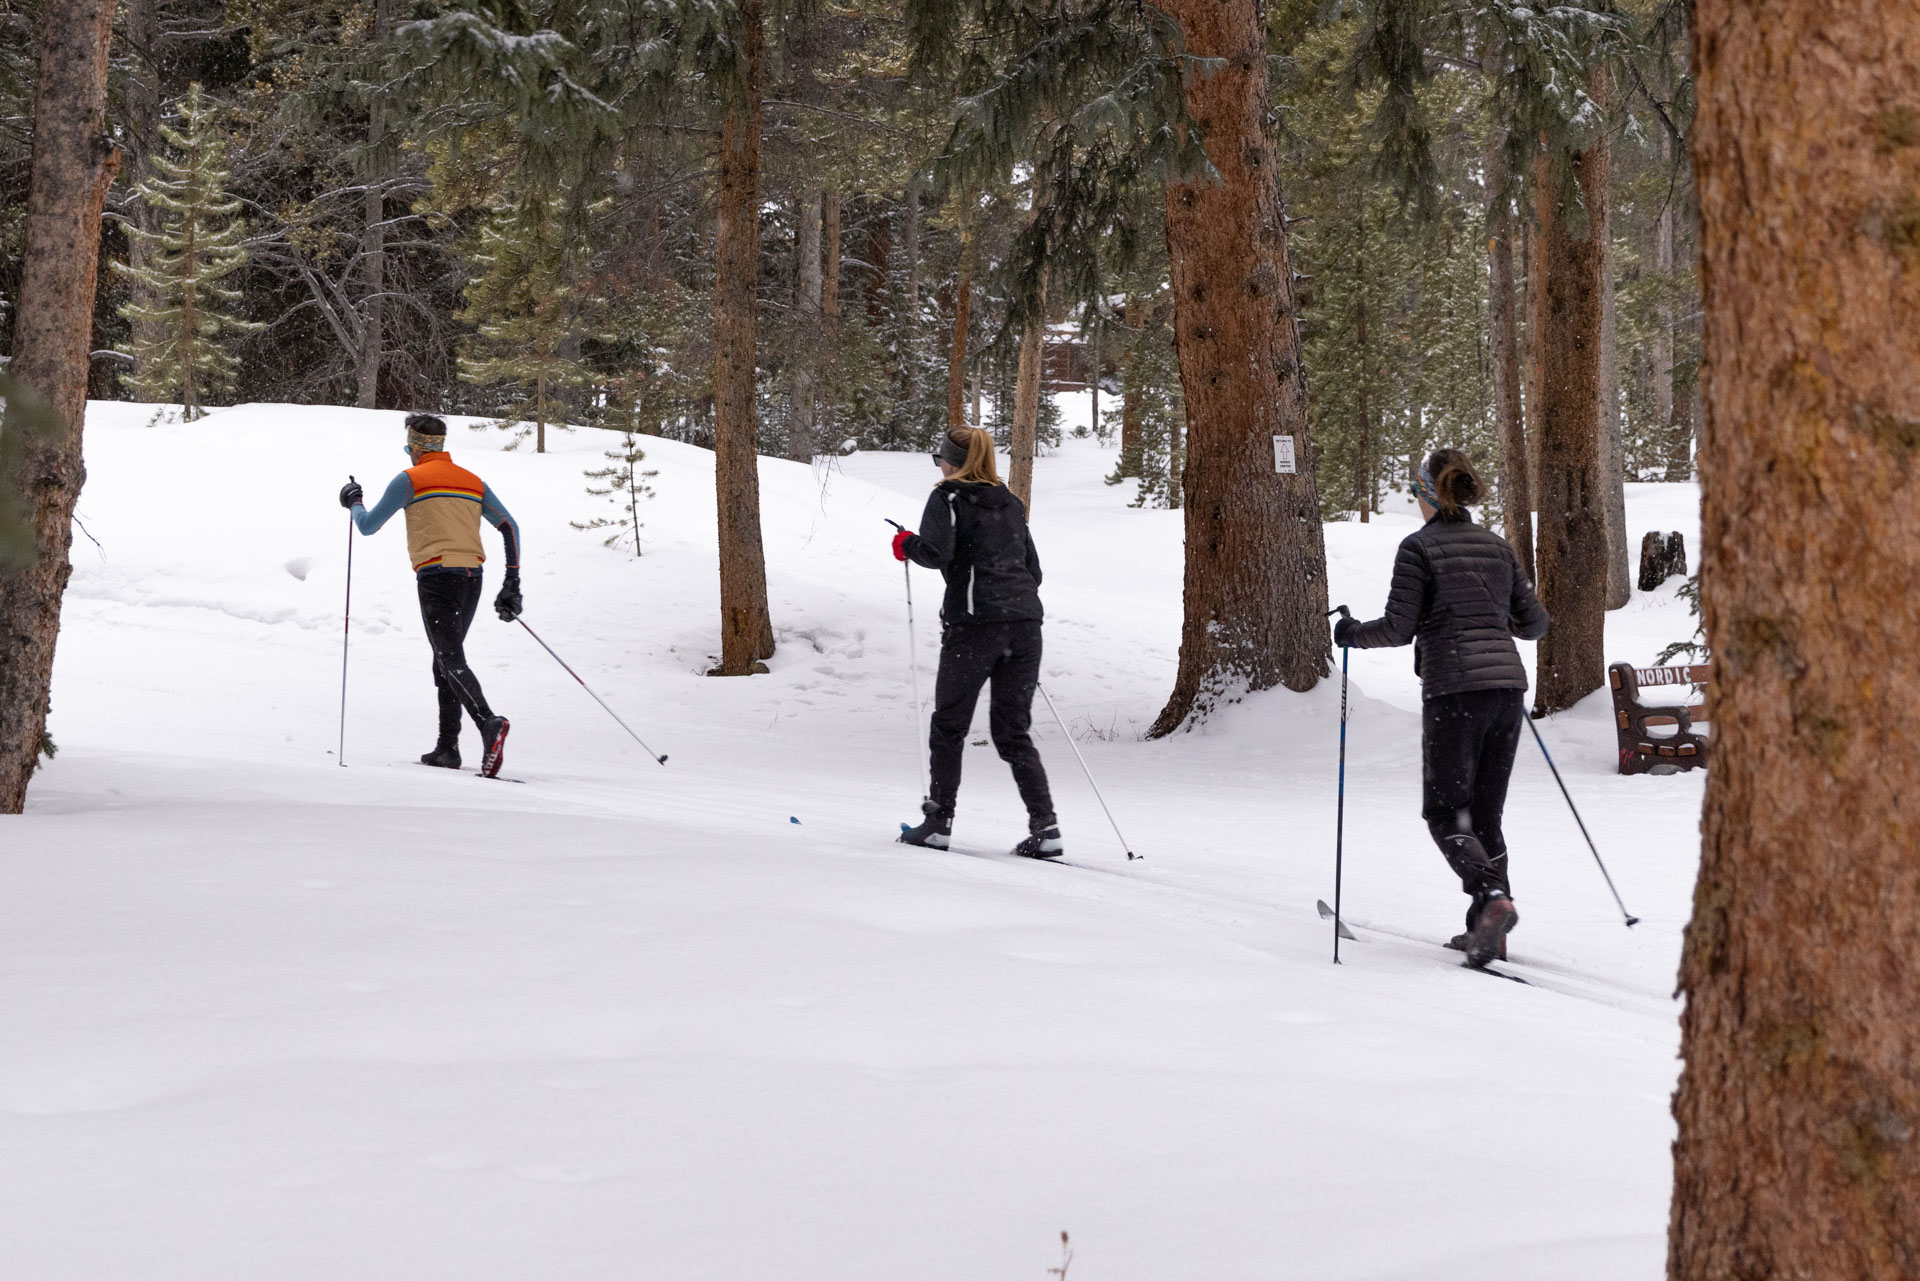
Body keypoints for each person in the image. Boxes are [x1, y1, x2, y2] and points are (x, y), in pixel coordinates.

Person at [1334, 449, 1550, 967]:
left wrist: (1349, 634)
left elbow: (1398, 626)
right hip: (1506, 691)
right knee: (1485, 816)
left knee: (1446, 813)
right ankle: (1488, 930)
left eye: (1416, 491)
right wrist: (1497, 623)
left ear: (1428, 494)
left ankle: (1493, 899)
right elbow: (1535, 623)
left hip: (1455, 691)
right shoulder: (1498, 547)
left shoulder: (1419, 548)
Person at [891, 427, 1062, 858]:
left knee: (949, 726)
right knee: (1012, 732)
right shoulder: (1010, 502)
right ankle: (1047, 829)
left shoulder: (947, 497)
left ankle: (938, 823)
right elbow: (1033, 570)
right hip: (1025, 625)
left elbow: (935, 554)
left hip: (976, 627)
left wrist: (905, 543)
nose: (940, 466)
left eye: (941, 459)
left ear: (952, 461)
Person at [338, 414, 522, 778]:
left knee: (449, 657)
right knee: (446, 660)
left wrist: (354, 501)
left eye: (409, 448)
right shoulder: (472, 482)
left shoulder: (410, 480)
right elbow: (509, 526)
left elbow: (368, 526)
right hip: (473, 577)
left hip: (437, 576)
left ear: (415, 448)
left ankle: (489, 722)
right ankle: (447, 748)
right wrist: (512, 582)